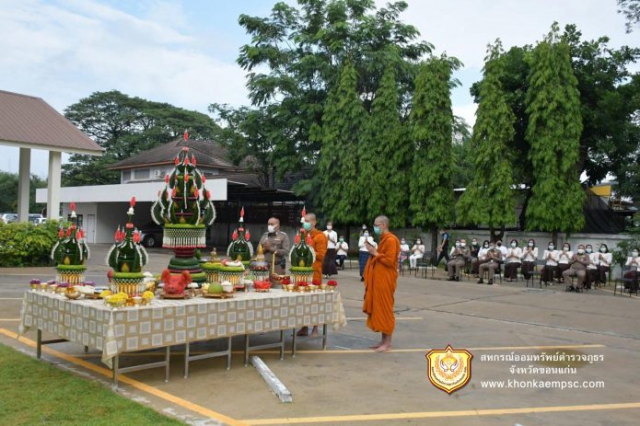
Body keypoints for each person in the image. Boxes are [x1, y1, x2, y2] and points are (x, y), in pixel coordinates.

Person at [363, 215, 400, 352]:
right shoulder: (384, 239)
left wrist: (375, 253)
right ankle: (383, 341)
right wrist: (373, 251)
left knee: (385, 309)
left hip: (386, 280)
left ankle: (388, 343)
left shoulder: (391, 240)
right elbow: (380, 256)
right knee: (379, 309)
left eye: (377, 225)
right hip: (379, 279)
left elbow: (389, 261)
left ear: (384, 225)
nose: (375, 227)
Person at [297, 213, 327, 337]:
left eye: (308, 221)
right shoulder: (302, 235)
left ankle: (315, 327)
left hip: (314, 272)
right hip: (302, 271)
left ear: (314, 222)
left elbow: (321, 255)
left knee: (315, 300)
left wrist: (309, 249)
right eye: (304, 221)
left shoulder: (320, 236)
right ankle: (304, 327)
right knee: (303, 301)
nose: (305, 223)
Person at [259, 217, 291, 282]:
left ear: (278, 226)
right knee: (264, 285)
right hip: (265, 267)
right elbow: (257, 251)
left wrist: (270, 248)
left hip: (277, 267)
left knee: (277, 286)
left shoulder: (283, 236)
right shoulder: (265, 235)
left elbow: (286, 252)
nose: (269, 226)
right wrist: (265, 248)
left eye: (272, 224)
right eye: (268, 224)